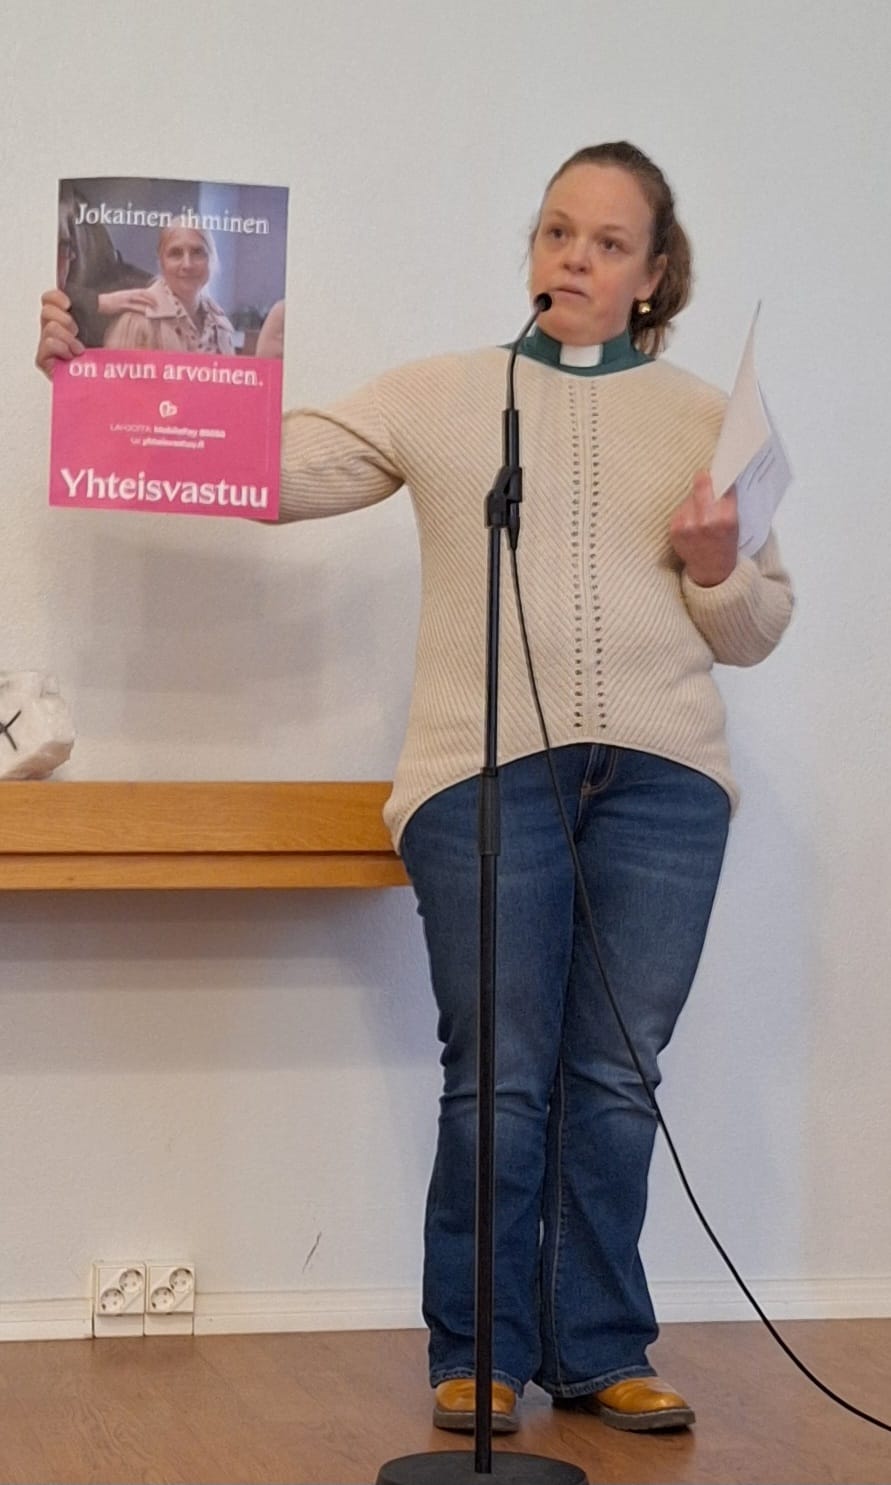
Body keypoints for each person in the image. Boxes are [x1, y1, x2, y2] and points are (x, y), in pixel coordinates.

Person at [37, 141, 793, 1436]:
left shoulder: (704, 424)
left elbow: (759, 626)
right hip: (484, 775)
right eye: (557, 230)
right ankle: (478, 1352)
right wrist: (97, 384)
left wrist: (718, 565)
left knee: (617, 1078)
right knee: (499, 1074)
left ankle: (599, 1347)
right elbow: (263, 472)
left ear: (654, 273)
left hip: (664, 790)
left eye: (609, 242)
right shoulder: (448, 393)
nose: (575, 256)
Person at [102, 221, 235, 355]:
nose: (187, 265)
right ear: (162, 263)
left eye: (197, 252)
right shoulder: (136, 319)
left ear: (212, 259)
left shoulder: (221, 324)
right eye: (176, 253)